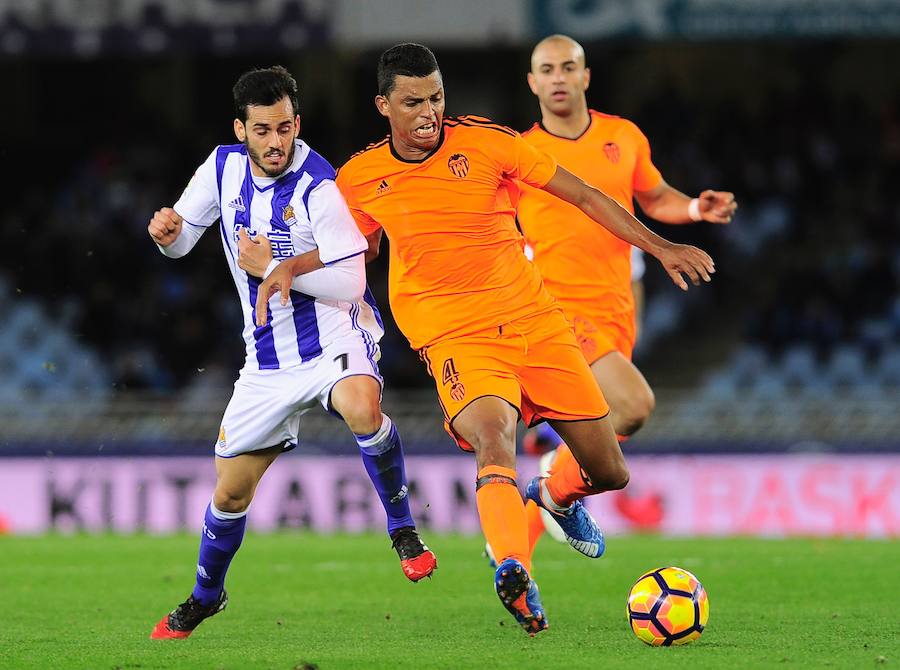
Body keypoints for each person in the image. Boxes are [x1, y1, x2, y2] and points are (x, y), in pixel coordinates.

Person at [256, 44, 715, 636]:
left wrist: (661, 245)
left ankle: (553, 494)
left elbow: (583, 195)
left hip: (535, 322)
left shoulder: (488, 142)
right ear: (383, 105)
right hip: (456, 336)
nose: (429, 112)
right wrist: (290, 267)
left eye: (436, 98)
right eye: (413, 102)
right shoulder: (361, 177)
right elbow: (354, 252)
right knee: (493, 437)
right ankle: (514, 569)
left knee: (609, 471)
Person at [147, 65, 436, 640]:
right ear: (241, 130)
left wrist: (276, 269)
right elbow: (182, 243)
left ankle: (403, 529)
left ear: (297, 123)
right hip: (266, 360)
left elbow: (351, 279)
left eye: (284, 128)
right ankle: (206, 596)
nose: (276, 141)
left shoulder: (319, 186)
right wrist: (167, 236)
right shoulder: (220, 169)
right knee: (230, 491)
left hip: (332, 333)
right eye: (262, 130)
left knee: (361, 405)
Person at [514, 34, 737, 559]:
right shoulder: (520, 155)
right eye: (547, 69)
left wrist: (695, 209)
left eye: (568, 67)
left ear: (586, 75)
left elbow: (654, 197)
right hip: (554, 308)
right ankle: (553, 492)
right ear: (533, 82)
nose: (558, 78)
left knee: (605, 430)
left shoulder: (623, 136)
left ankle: (517, 542)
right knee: (633, 406)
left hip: (615, 308)